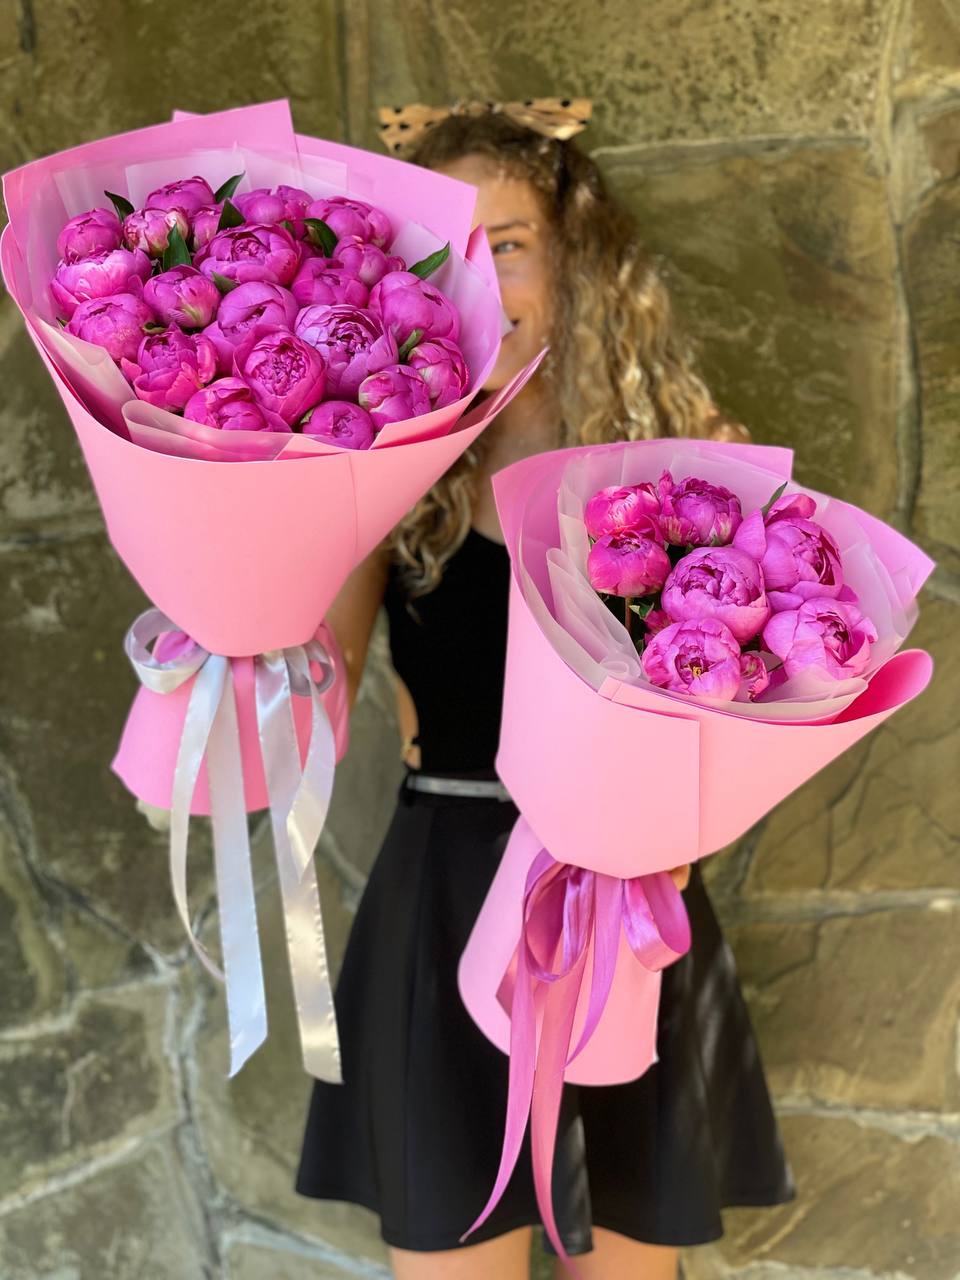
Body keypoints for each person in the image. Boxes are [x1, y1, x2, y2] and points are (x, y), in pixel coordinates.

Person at [295, 99, 796, 1280]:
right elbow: (319, 683)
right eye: (444, 246)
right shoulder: (386, 467)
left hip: (627, 905)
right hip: (446, 902)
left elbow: (760, 695)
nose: (476, 272)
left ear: (578, 256)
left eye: (509, 242)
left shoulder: (690, 461)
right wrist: (241, 605)